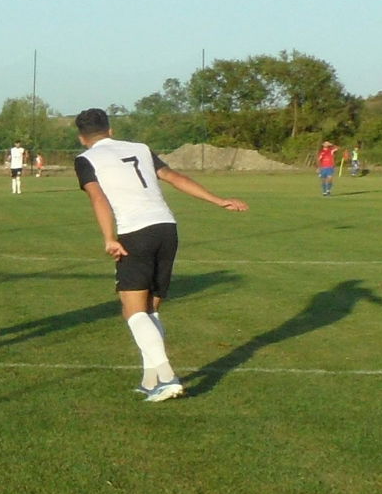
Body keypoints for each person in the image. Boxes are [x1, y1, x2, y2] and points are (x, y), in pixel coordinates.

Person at [72, 107, 249, 402]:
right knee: (151, 308)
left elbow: (98, 197)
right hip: (167, 228)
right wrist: (218, 201)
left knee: (133, 310)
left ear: (81, 138)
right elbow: (174, 176)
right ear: (111, 130)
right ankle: (150, 377)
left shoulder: (85, 159)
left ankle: (167, 377)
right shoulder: (140, 148)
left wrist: (109, 237)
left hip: (135, 232)